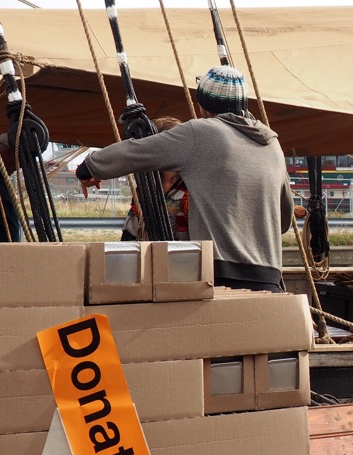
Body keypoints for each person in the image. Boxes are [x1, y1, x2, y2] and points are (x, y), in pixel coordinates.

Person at [75, 66, 293, 292]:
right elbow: (283, 220)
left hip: (221, 278)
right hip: (269, 280)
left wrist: (89, 167)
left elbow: (136, 151)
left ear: (203, 105)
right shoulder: (272, 144)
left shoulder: (201, 132)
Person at [119, 117, 190, 241]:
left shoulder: (189, 189)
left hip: (184, 256)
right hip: (146, 255)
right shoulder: (146, 189)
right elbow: (131, 233)